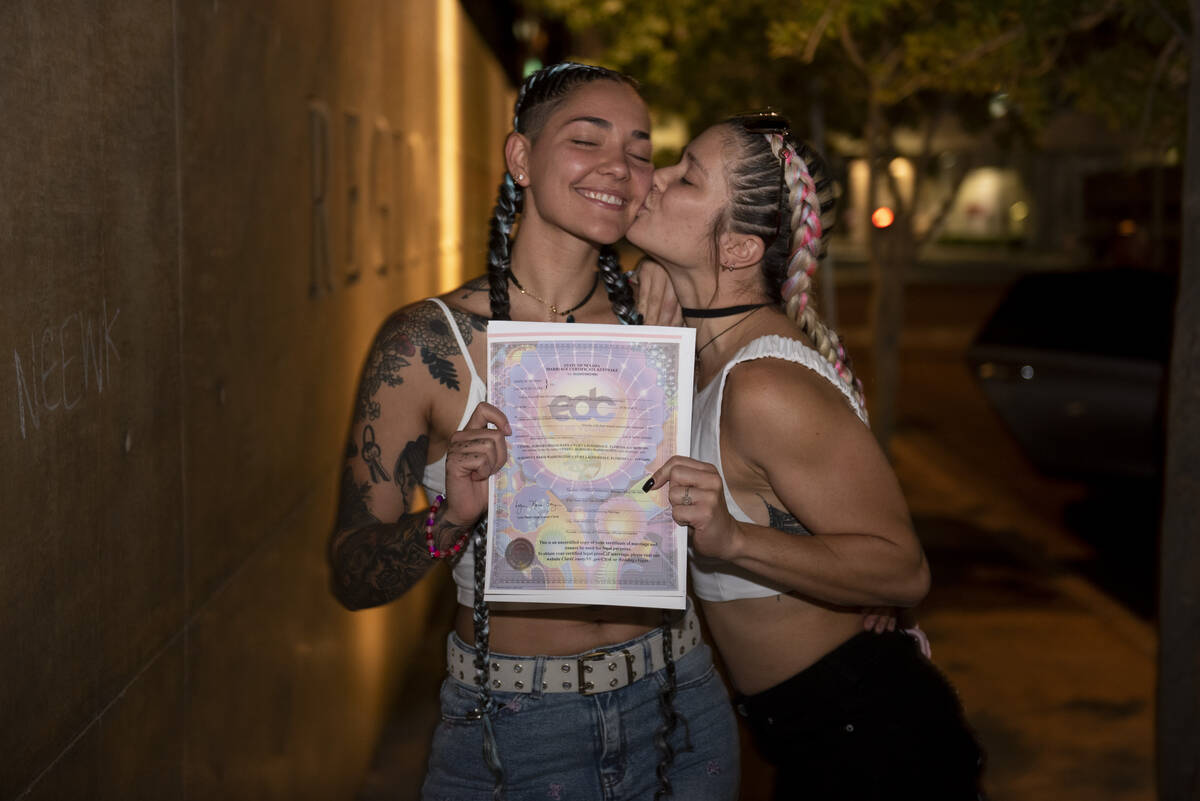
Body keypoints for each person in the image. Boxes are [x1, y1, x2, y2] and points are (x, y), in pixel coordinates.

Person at [328, 63, 739, 801]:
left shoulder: (663, 320)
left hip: (679, 701)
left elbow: (789, 376)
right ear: (521, 158)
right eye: (588, 139)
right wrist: (450, 518)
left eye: (641, 151)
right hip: (512, 726)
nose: (620, 166)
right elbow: (352, 573)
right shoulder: (429, 345)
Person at [629, 113, 984, 799]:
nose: (655, 178)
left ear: (736, 249)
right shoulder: (708, 352)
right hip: (814, 739)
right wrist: (659, 277)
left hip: (876, 749)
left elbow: (902, 569)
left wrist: (734, 538)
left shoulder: (764, 386)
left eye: (685, 176)